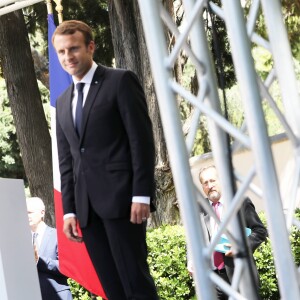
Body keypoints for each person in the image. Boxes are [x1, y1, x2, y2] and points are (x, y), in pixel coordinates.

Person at [52, 20, 159, 300]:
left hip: (124, 202)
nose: (67, 57)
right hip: (87, 213)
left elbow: (141, 141)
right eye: (61, 52)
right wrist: (70, 211)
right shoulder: (62, 101)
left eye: (73, 49)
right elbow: (68, 161)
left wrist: (142, 194)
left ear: (90, 47)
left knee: (136, 283)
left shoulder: (120, 81)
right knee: (112, 289)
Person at [189, 165, 267, 300]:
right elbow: (192, 238)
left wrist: (241, 246)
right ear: (202, 187)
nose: (210, 185)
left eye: (213, 180)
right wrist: (191, 259)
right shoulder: (198, 209)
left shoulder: (240, 202)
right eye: (205, 183)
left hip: (241, 274)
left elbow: (260, 231)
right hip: (212, 279)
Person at [26, 197, 73, 300]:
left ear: (42, 212)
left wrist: (39, 260)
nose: (26, 216)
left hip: (56, 295)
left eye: (29, 212)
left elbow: (67, 267)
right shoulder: (22, 239)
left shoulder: (57, 235)